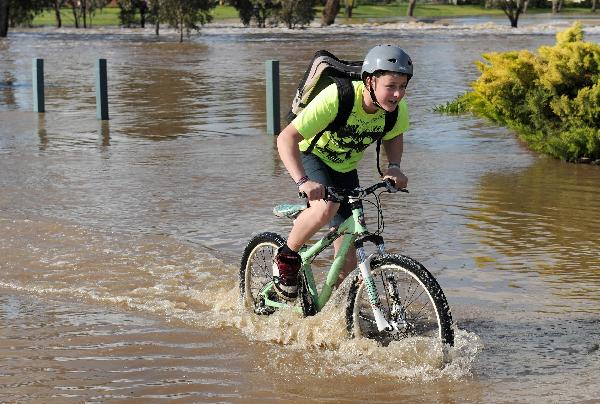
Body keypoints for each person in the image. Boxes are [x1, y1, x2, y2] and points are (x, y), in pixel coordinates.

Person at [273, 44, 412, 300]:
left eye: (402, 87)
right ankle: (286, 258)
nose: (397, 94)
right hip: (311, 155)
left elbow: (394, 136)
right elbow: (286, 138)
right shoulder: (339, 96)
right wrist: (303, 181)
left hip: (345, 167)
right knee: (325, 208)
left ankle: (336, 315)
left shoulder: (394, 111)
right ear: (370, 81)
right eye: (391, 86)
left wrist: (394, 166)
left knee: (348, 257)